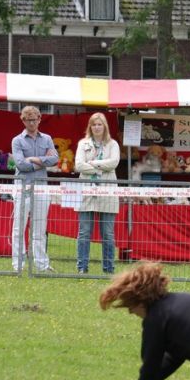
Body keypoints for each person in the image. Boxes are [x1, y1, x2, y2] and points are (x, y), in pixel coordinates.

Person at [10, 106, 58, 272]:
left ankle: (41, 264)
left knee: (40, 228)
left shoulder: (47, 139)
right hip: (22, 187)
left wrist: (33, 159)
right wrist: (42, 162)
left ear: (39, 119)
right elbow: (20, 164)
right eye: (28, 120)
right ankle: (18, 264)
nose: (32, 123)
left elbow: (55, 159)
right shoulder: (17, 140)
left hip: (41, 188)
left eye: (34, 119)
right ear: (23, 121)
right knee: (19, 227)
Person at [75, 113, 121, 274]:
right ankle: (82, 267)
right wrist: (101, 169)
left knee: (108, 233)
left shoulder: (113, 144)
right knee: (84, 232)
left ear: (105, 126)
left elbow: (114, 163)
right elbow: (79, 165)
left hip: (107, 191)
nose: (96, 127)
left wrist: (93, 163)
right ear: (90, 127)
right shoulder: (83, 143)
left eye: (99, 124)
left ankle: (109, 268)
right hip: (86, 191)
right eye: (94, 124)